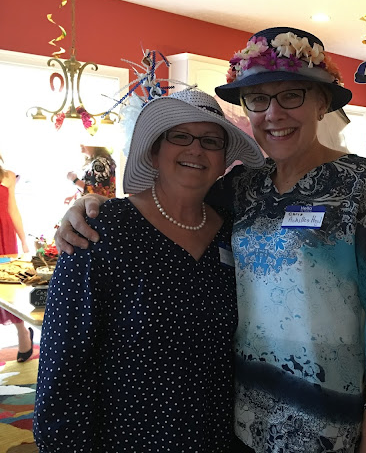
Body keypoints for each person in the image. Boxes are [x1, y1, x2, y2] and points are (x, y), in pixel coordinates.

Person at [55, 26, 366, 453]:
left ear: (322, 102)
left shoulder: (358, 183)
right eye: (258, 98)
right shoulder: (242, 187)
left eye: (292, 95)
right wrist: (93, 204)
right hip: (239, 415)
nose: (273, 113)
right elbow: (175, 197)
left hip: (326, 415)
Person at [33, 88, 265, 452]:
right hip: (126, 438)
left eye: (211, 141)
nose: (196, 149)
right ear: (154, 151)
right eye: (180, 136)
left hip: (215, 435)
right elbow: (63, 361)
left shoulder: (233, 232)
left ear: (224, 160)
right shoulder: (101, 229)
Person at [0, 126, 34, 362]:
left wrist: (23, 239)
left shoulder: (7, 177)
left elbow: (12, 209)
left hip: (2, 236)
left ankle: (23, 333)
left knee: (7, 289)